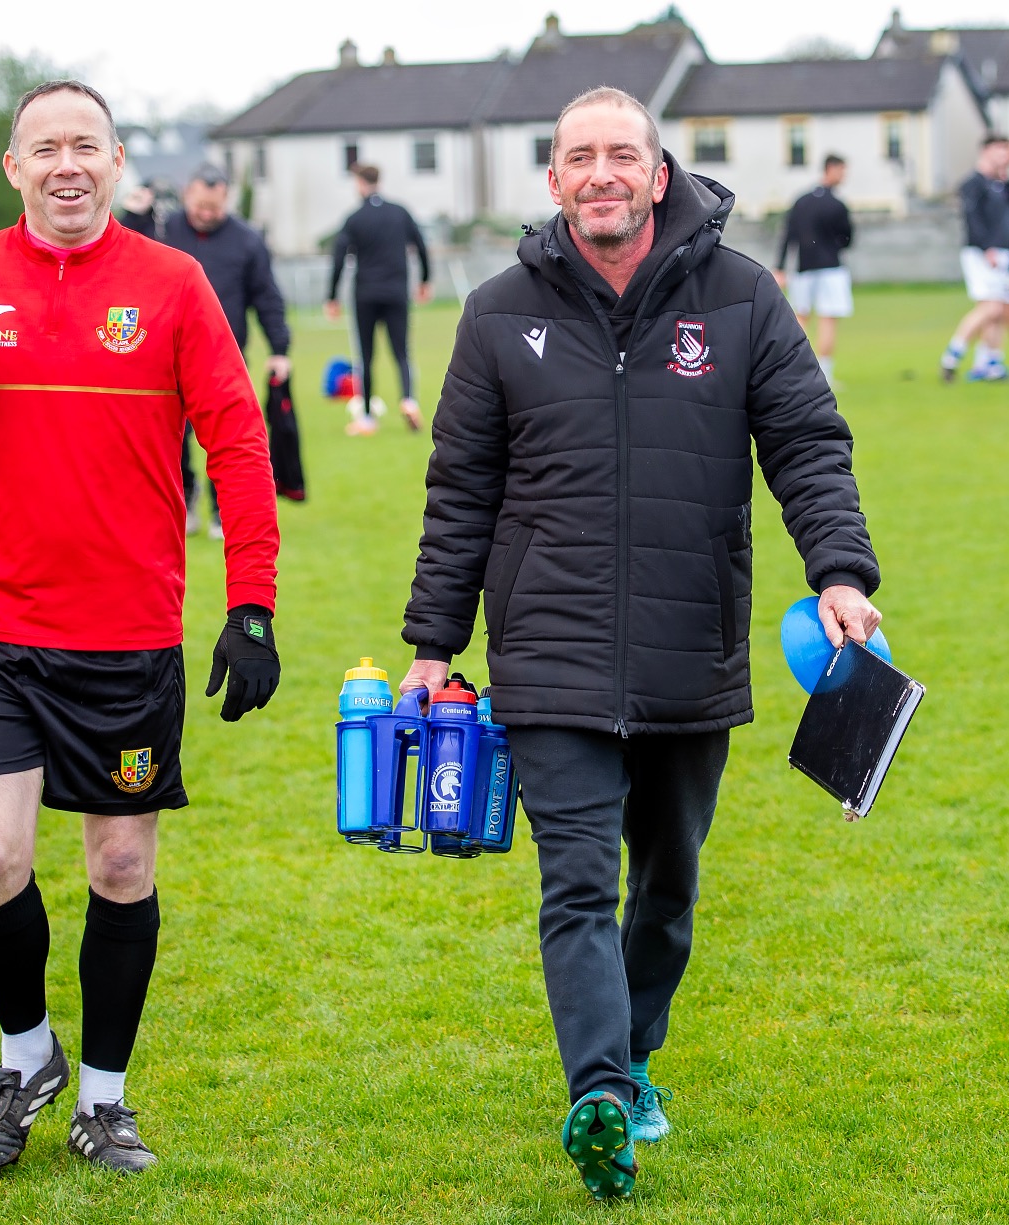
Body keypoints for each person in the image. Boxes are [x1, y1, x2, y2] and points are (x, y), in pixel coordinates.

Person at [398, 87, 880, 1203]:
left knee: (665, 887)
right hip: (546, 650)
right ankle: (600, 1093)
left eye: (623, 154)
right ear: (554, 180)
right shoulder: (495, 312)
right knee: (576, 882)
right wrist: (431, 641)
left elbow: (807, 443)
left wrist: (840, 572)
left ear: (659, 176)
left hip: (686, 646)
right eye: (580, 157)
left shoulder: (742, 297)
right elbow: (458, 491)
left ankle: (637, 1051)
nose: (601, 173)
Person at [0, 80, 281, 1177]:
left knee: (121, 864)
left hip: (125, 641)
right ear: (14, 168)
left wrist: (252, 603)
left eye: (86, 145)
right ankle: (24, 1057)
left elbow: (235, 439)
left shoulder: (171, 285)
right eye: (45, 148)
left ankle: (103, 1101)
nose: (66, 164)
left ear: (117, 162)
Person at [163, 163, 291, 538]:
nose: (206, 214)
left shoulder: (247, 240)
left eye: (214, 208)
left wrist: (279, 348)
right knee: (172, 438)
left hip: (224, 357)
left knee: (229, 439)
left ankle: (222, 512)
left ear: (226, 200)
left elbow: (267, 297)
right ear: (187, 194)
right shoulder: (164, 230)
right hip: (165, 355)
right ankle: (185, 496)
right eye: (200, 206)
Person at [325, 163, 432, 435]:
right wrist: (424, 280)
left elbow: (339, 257)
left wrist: (332, 296)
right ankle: (408, 400)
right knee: (401, 352)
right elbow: (421, 245)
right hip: (396, 292)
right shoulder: (400, 212)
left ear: (360, 183)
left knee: (366, 357)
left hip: (366, 294)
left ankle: (367, 418)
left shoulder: (355, 218)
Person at [940, 133, 1009, 382]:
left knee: (998, 311)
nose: (1007, 155)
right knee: (991, 307)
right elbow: (972, 220)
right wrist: (987, 248)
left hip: (1004, 254)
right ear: (986, 151)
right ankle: (952, 356)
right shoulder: (973, 184)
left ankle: (989, 363)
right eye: (1001, 150)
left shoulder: (1006, 186)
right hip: (982, 253)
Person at [774, 154, 853, 386]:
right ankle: (825, 375)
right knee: (828, 320)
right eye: (842, 170)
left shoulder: (801, 201)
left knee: (800, 319)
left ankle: (795, 371)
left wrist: (780, 267)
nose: (844, 175)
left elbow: (788, 236)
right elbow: (848, 239)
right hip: (831, 269)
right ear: (831, 169)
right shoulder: (837, 205)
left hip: (804, 268)